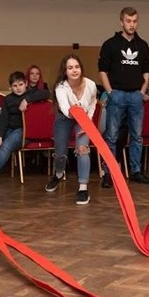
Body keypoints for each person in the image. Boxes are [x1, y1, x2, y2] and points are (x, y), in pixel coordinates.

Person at [98, 6, 149, 187]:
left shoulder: (143, 46)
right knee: (112, 136)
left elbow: (147, 72)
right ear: (121, 22)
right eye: (128, 21)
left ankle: (136, 171)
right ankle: (109, 173)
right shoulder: (110, 44)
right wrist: (110, 92)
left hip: (135, 96)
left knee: (137, 136)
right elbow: (103, 71)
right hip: (117, 95)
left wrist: (142, 92)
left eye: (135, 21)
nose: (132, 25)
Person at [45, 54, 98, 205]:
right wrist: (77, 114)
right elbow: (65, 108)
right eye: (70, 68)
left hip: (83, 119)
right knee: (60, 152)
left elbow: (93, 102)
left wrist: (87, 122)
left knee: (82, 148)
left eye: (76, 67)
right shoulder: (61, 87)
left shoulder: (91, 85)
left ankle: (83, 187)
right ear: (65, 71)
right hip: (65, 117)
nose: (74, 70)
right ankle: (59, 173)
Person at [0, 71, 50, 175]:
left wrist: (27, 99)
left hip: (23, 131)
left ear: (26, 84)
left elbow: (46, 93)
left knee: (6, 146)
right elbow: (3, 118)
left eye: (21, 85)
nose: (18, 88)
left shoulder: (31, 93)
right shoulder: (8, 99)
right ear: (10, 87)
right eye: (15, 86)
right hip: (9, 128)